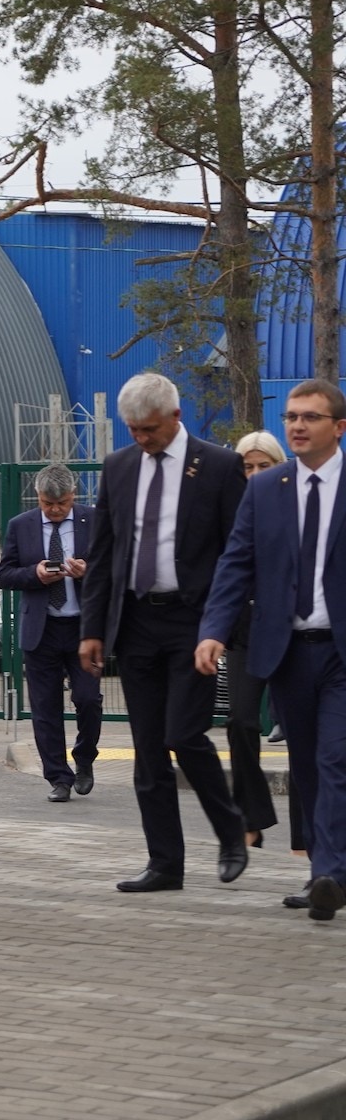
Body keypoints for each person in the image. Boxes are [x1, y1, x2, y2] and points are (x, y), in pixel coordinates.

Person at [78, 373, 249, 893]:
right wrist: (92, 628)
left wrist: (224, 624)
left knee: (184, 735)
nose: (140, 438)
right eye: (132, 429)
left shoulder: (217, 467)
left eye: (149, 429)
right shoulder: (119, 466)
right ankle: (164, 863)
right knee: (149, 748)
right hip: (136, 623)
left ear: (176, 417)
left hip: (194, 622)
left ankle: (231, 831)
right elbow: (104, 553)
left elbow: (238, 553)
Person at [198, 380, 346, 921]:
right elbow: (236, 563)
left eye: (310, 417)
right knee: (307, 765)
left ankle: (331, 873)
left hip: (341, 654)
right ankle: (324, 873)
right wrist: (214, 629)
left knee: (334, 758)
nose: (297, 425)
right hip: (288, 651)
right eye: (291, 416)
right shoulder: (264, 489)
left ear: (339, 427)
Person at [0, 463, 102, 803]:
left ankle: (84, 758)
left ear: (74, 496)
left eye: (62, 503)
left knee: (88, 699)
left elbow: (114, 568)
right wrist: (35, 574)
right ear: (37, 496)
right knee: (45, 708)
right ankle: (58, 777)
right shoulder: (20, 526)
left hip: (83, 629)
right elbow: (4, 574)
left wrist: (88, 571)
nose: (55, 510)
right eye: (48, 504)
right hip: (41, 630)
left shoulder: (93, 520)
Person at [223, 431, 286, 851]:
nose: (255, 474)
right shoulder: (228, 513)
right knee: (241, 722)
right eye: (247, 466)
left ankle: (307, 837)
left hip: (292, 632)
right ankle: (251, 817)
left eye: (264, 465)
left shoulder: (297, 506)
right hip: (243, 631)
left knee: (302, 732)